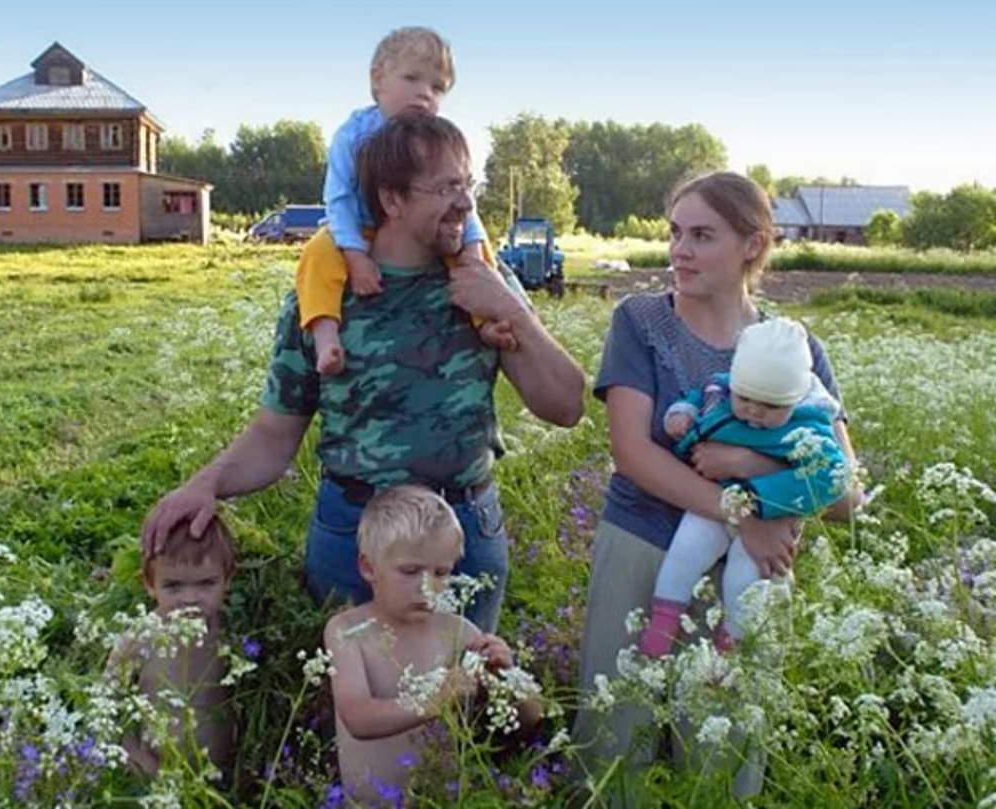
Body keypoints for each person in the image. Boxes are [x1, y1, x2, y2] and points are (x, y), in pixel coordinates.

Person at [139, 111, 586, 635]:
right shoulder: (325, 295)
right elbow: (274, 434)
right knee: (351, 703)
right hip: (352, 535)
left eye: (468, 184)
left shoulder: (482, 278)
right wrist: (205, 484)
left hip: (462, 532)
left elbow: (566, 406)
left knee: (464, 697)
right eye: (445, 187)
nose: (466, 203)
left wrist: (513, 311)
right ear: (391, 199)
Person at [570, 171, 862, 803]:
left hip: (752, 574)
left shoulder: (796, 348)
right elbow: (632, 453)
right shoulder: (640, 320)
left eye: (702, 235)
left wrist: (745, 466)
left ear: (753, 244)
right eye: (675, 232)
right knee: (619, 740)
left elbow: (844, 497)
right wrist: (743, 517)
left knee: (724, 753)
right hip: (641, 549)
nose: (679, 250)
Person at [293, 26, 513, 376]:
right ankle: (326, 338)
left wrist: (470, 249)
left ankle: (485, 322)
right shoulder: (353, 135)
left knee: (480, 255)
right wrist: (355, 256)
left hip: (430, 230)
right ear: (378, 79)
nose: (424, 94)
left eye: (437, 87)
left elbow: (461, 199)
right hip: (362, 227)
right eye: (412, 78)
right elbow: (338, 200)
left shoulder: (442, 141)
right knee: (317, 254)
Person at [639, 317, 850, 658]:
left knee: (746, 577)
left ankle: (731, 646)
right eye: (745, 398)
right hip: (715, 499)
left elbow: (833, 479)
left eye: (770, 406)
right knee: (685, 550)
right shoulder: (723, 390)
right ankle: (664, 621)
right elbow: (702, 396)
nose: (753, 411)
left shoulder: (810, 425)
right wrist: (681, 414)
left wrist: (756, 499)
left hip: (768, 517)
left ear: (795, 399)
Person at [324, 485, 543, 802]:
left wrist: (507, 675)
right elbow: (358, 718)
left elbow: (531, 718)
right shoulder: (349, 631)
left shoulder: (458, 631)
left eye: (441, 572)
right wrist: (434, 699)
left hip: (444, 800)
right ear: (369, 566)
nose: (427, 587)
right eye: (410, 571)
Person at [106, 514, 237, 779]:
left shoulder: (230, 632)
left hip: (219, 775)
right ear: (149, 584)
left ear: (228, 579)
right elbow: (109, 703)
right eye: (173, 586)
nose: (190, 598)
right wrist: (134, 757)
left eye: (206, 584)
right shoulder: (140, 638)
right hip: (153, 773)